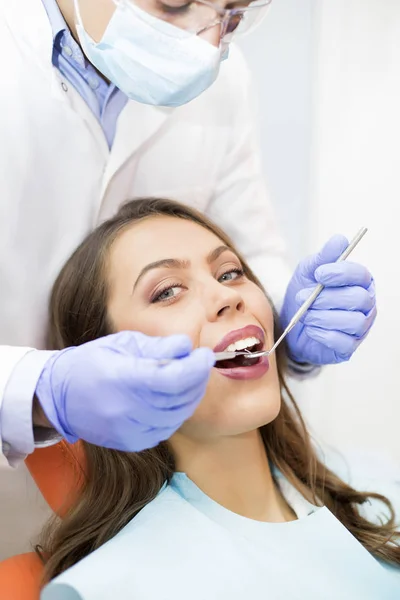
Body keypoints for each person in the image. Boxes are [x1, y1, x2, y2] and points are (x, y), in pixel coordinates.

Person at [0, 0, 376, 467]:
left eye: (234, 15)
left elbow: (253, 247)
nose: (207, 48)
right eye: (176, 4)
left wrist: (290, 320)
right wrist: (35, 394)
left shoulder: (224, 80)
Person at [35, 198, 397, 599]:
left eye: (230, 273)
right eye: (168, 291)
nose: (227, 297)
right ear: (106, 365)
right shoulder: (111, 588)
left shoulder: (380, 483)